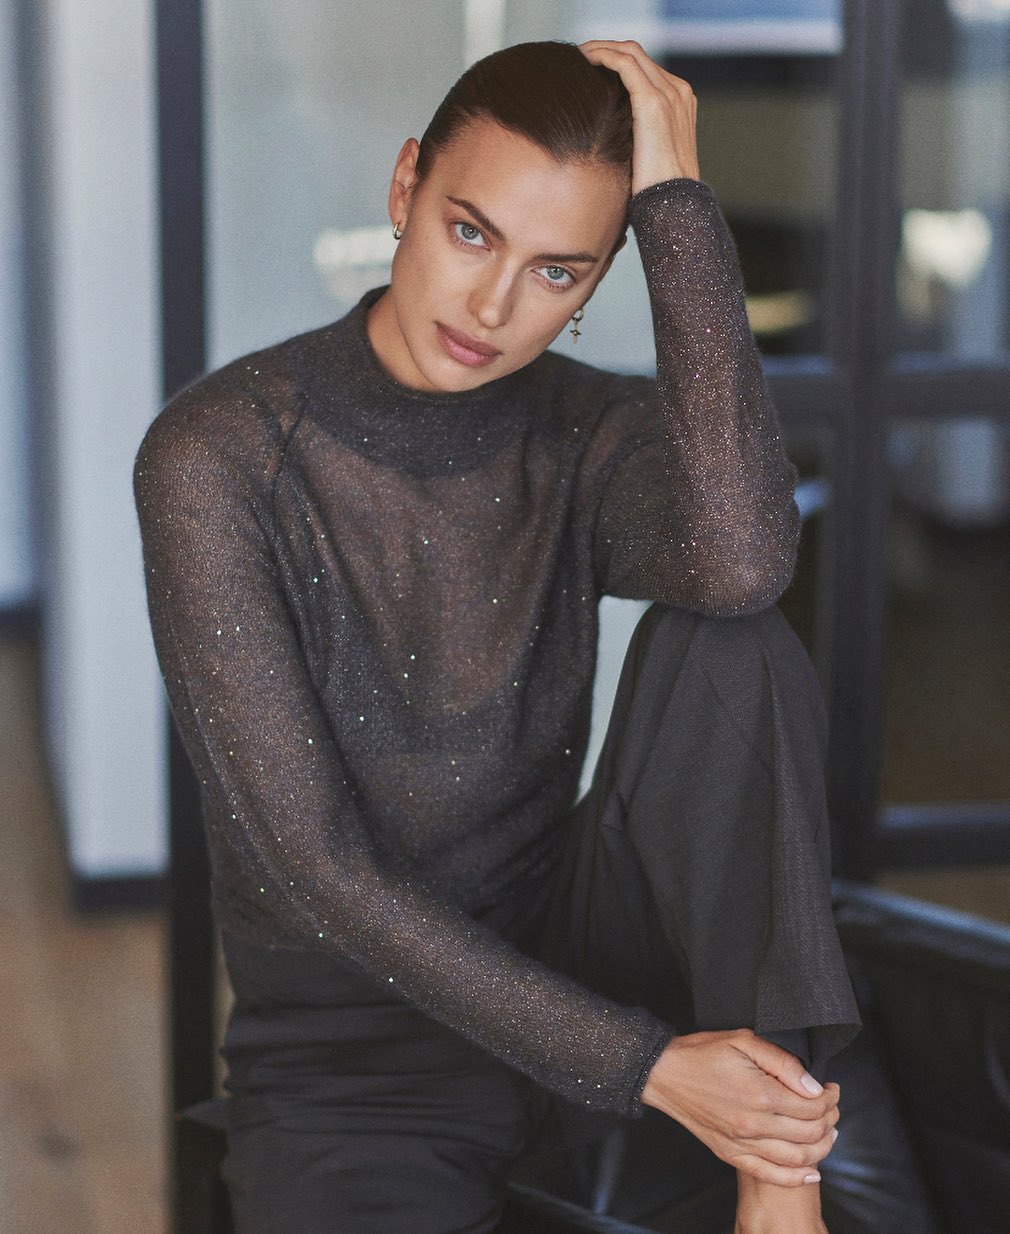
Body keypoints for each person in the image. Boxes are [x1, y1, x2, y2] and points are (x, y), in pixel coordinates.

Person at [133, 38, 860, 1234]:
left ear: (595, 280)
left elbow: (742, 558)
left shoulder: (585, 429)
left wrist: (679, 208)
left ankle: (777, 1182)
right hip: (359, 1070)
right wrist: (646, 1066)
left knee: (732, 639)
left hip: (582, 953)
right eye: (470, 232)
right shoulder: (217, 458)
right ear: (404, 185)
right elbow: (316, 867)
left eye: (555, 270)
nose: (490, 307)